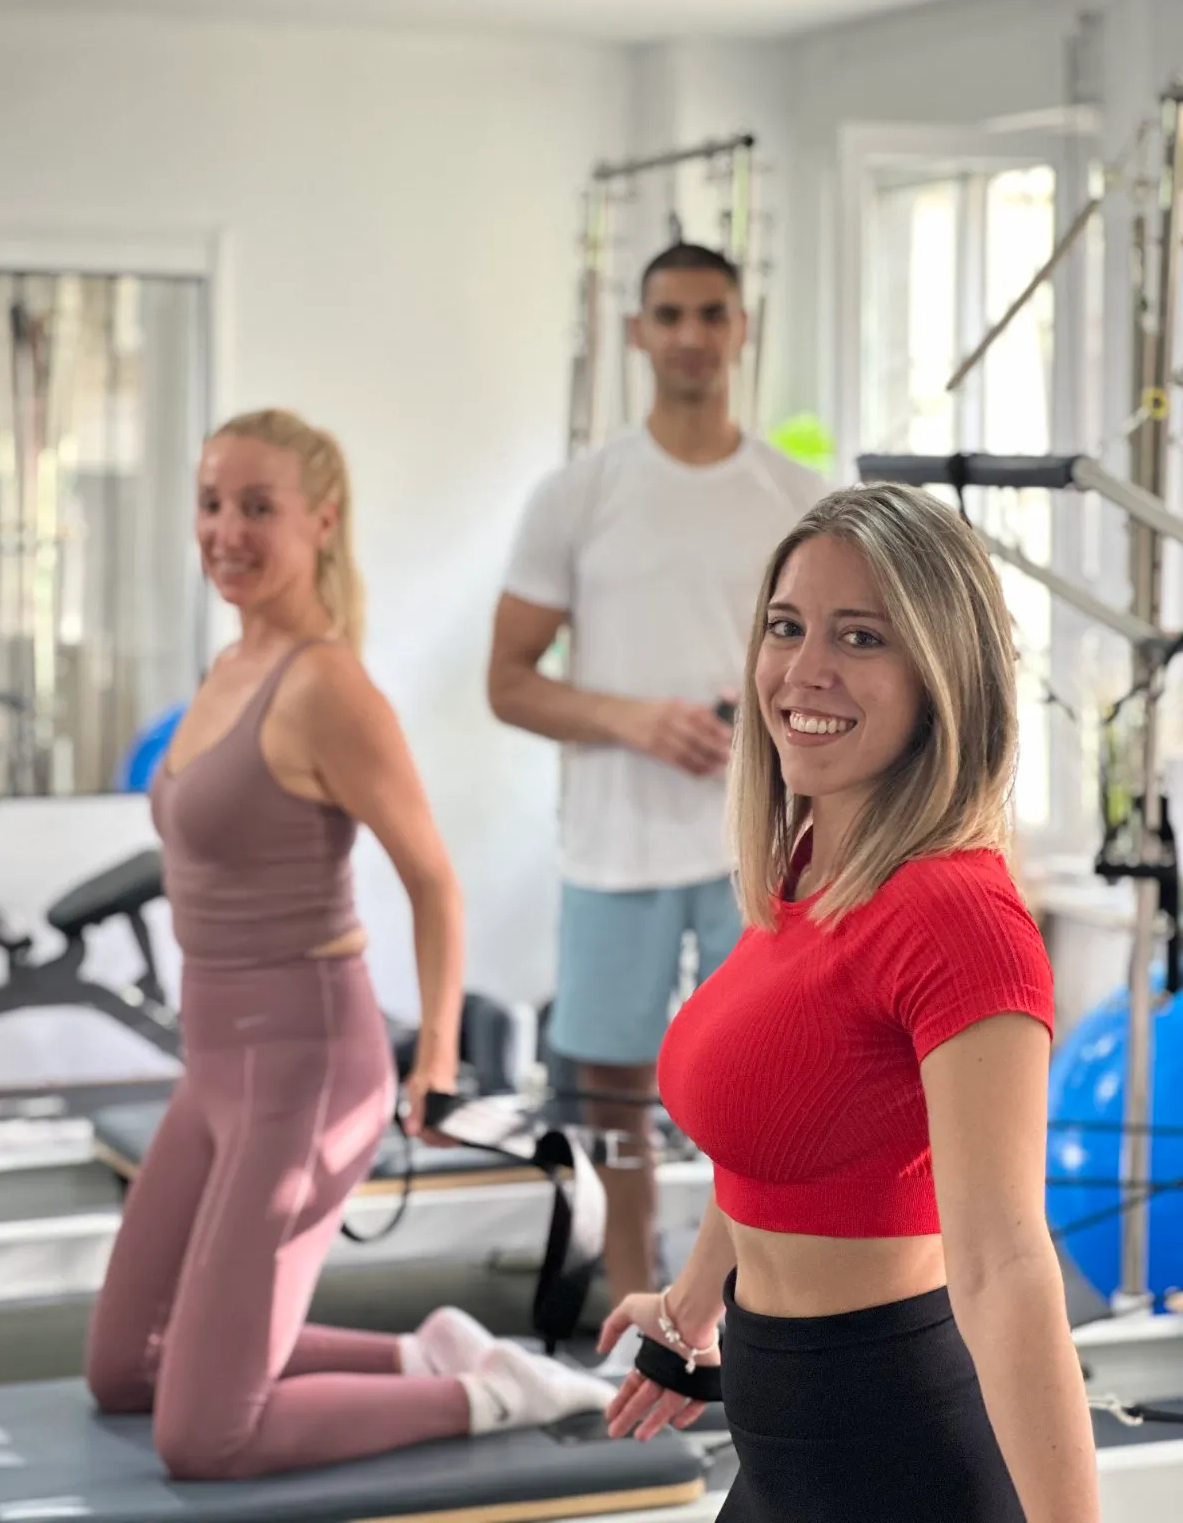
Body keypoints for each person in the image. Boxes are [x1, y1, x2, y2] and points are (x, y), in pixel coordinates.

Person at [85, 408, 612, 1482]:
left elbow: (433, 880)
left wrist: (435, 1062)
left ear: (321, 522)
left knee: (205, 1436)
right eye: (212, 503)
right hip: (213, 1067)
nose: (226, 531)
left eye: (258, 507)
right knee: (122, 1368)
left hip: (306, 1071)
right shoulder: (230, 663)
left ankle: (491, 1393)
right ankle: (427, 1350)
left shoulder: (327, 685)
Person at [599, 483, 1100, 1522]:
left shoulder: (955, 915)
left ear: (940, 675)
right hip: (781, 1442)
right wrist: (692, 1308)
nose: (804, 670)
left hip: (898, 1451)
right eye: (787, 626)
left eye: (861, 637)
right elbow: (772, 1133)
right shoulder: (811, 866)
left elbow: (1007, 1267)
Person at [488, 243, 827, 1306]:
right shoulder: (577, 495)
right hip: (616, 845)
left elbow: (849, 664)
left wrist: (772, 718)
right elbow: (508, 681)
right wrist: (631, 719)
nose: (691, 335)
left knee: (762, 1083)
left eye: (711, 313)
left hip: (760, 844)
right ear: (638, 332)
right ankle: (633, 1292)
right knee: (615, 1091)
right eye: (670, 314)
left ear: (742, 328)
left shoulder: (799, 498)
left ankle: (757, 1296)